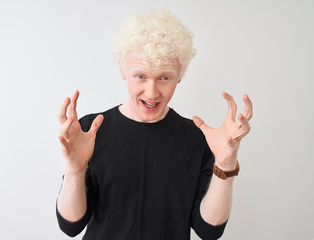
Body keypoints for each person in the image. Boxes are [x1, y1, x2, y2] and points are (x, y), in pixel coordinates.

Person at [56, 9, 252, 240]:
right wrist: (74, 170)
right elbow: (71, 226)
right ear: (123, 70)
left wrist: (226, 163)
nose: (152, 92)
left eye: (164, 78)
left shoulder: (198, 138)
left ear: (180, 75)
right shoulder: (91, 129)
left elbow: (209, 230)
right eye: (141, 76)